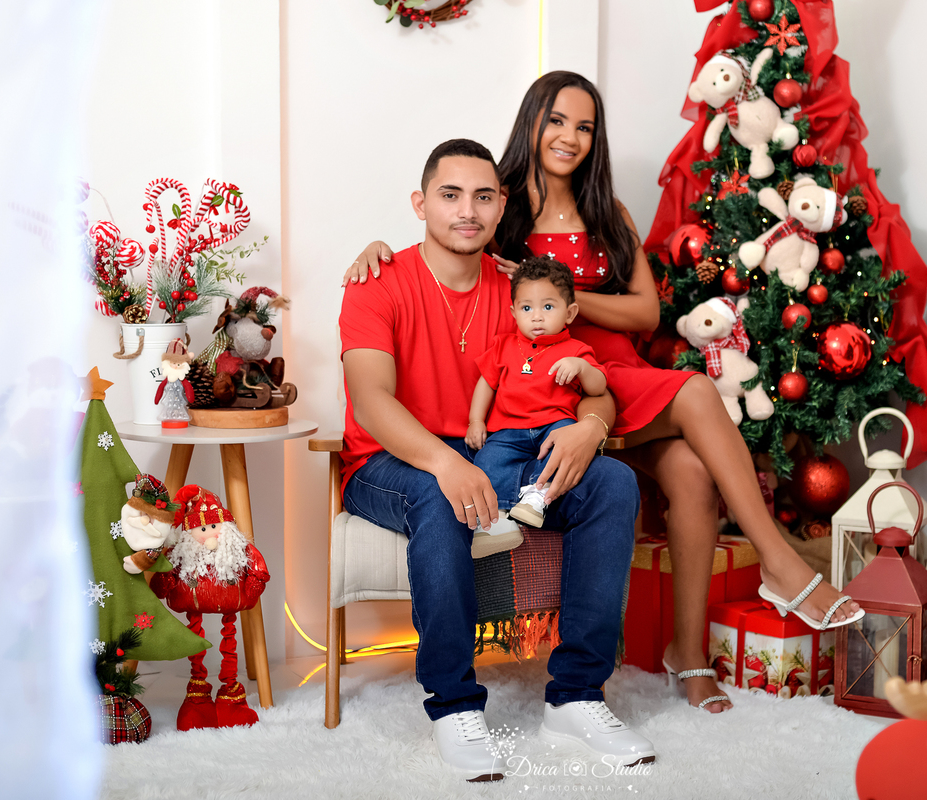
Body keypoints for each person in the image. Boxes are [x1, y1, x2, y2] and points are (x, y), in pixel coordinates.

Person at [345, 72, 864, 714]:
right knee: (699, 393)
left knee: (694, 473)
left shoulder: (604, 212)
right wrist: (377, 250)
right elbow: (446, 246)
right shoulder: (500, 215)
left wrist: (569, 302)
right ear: (531, 122)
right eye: (557, 120)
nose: (569, 136)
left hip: (609, 380)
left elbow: (646, 315)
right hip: (549, 390)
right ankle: (779, 563)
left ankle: (688, 653)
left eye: (585, 126)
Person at [339, 137, 655, 783]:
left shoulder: (521, 290)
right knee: (441, 493)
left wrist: (590, 431)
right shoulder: (378, 282)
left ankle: (575, 696)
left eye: (483, 196)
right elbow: (370, 403)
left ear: (501, 202)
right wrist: (444, 463)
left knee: (615, 483)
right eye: (449, 195)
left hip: (495, 454)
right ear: (420, 203)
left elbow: (594, 383)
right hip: (388, 463)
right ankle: (453, 704)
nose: (467, 210)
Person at [468, 255, 608, 529]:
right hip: (508, 430)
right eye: (527, 308)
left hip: (555, 426)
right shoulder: (504, 345)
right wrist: (476, 421)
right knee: (486, 461)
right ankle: (502, 512)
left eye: (547, 306)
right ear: (514, 313)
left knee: (566, 452)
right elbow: (486, 382)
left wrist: (581, 367)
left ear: (569, 313)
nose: (537, 316)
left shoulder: (576, 350)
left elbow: (598, 387)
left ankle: (539, 494)